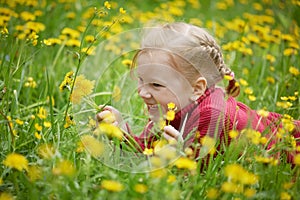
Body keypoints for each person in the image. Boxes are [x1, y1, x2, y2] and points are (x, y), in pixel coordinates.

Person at [96, 22, 300, 163]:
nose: (142, 92)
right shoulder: (173, 106)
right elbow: (149, 149)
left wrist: (174, 157)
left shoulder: (211, 116)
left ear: (196, 89)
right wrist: (120, 132)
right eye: (141, 80)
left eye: (156, 85)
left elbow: (192, 178)